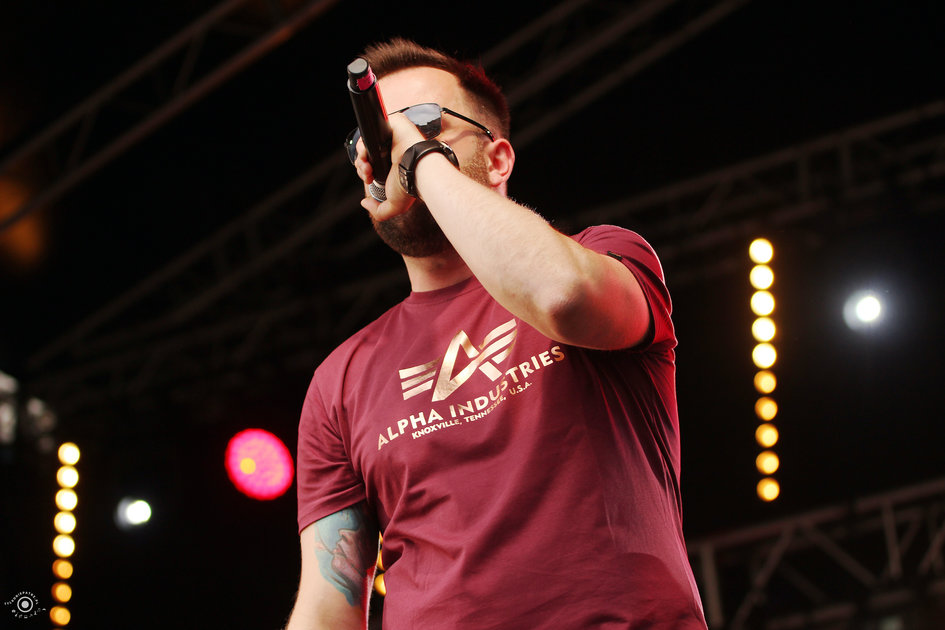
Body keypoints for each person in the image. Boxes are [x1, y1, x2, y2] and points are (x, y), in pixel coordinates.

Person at [286, 38, 708, 630]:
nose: (393, 148)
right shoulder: (340, 380)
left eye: (424, 122)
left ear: (499, 159)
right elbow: (328, 605)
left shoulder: (607, 254)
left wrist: (421, 161)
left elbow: (560, 295)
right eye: (375, 136)